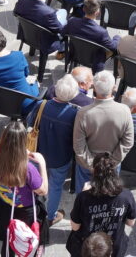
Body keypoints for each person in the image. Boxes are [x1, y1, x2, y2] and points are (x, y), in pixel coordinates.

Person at [26, 74, 82, 226]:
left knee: (34, 183)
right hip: (60, 157)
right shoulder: (74, 113)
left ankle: (32, 209)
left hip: (38, 154)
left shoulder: (41, 105)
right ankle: (50, 216)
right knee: (55, 186)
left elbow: (30, 123)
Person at [73, 70, 134, 193]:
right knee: (109, 197)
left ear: (94, 87)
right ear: (113, 88)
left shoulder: (83, 113)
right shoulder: (125, 111)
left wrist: (92, 166)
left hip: (86, 166)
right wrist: (111, 163)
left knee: (83, 199)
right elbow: (127, 143)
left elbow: (78, 146)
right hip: (112, 165)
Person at [68, 153, 136, 257]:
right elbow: (130, 223)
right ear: (114, 172)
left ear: (93, 172)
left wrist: (84, 193)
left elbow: (75, 227)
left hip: (89, 250)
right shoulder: (126, 195)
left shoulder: (83, 198)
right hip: (114, 248)